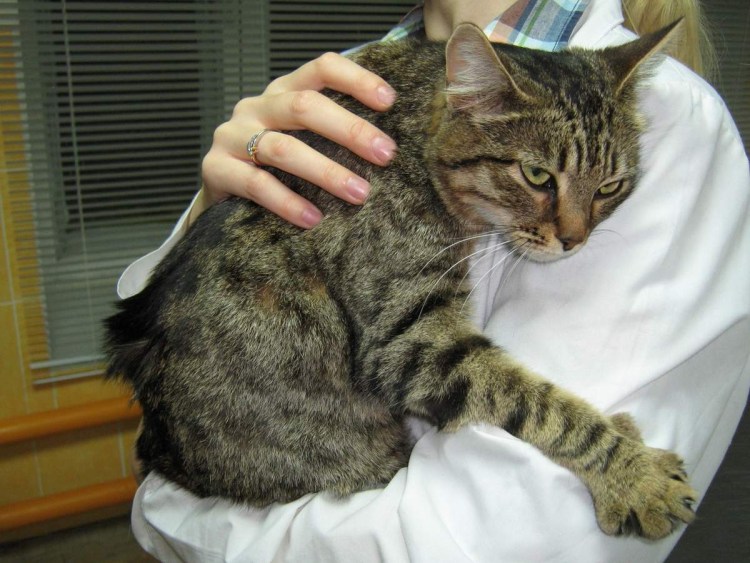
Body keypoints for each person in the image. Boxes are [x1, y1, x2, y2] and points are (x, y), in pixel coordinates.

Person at [119, 0, 750, 561]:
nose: (573, 231)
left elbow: (489, 539)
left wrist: (173, 517)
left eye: (608, 189)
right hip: (297, 463)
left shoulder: (673, 117)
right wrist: (209, 212)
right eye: (539, 179)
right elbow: (416, 360)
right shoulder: (353, 82)